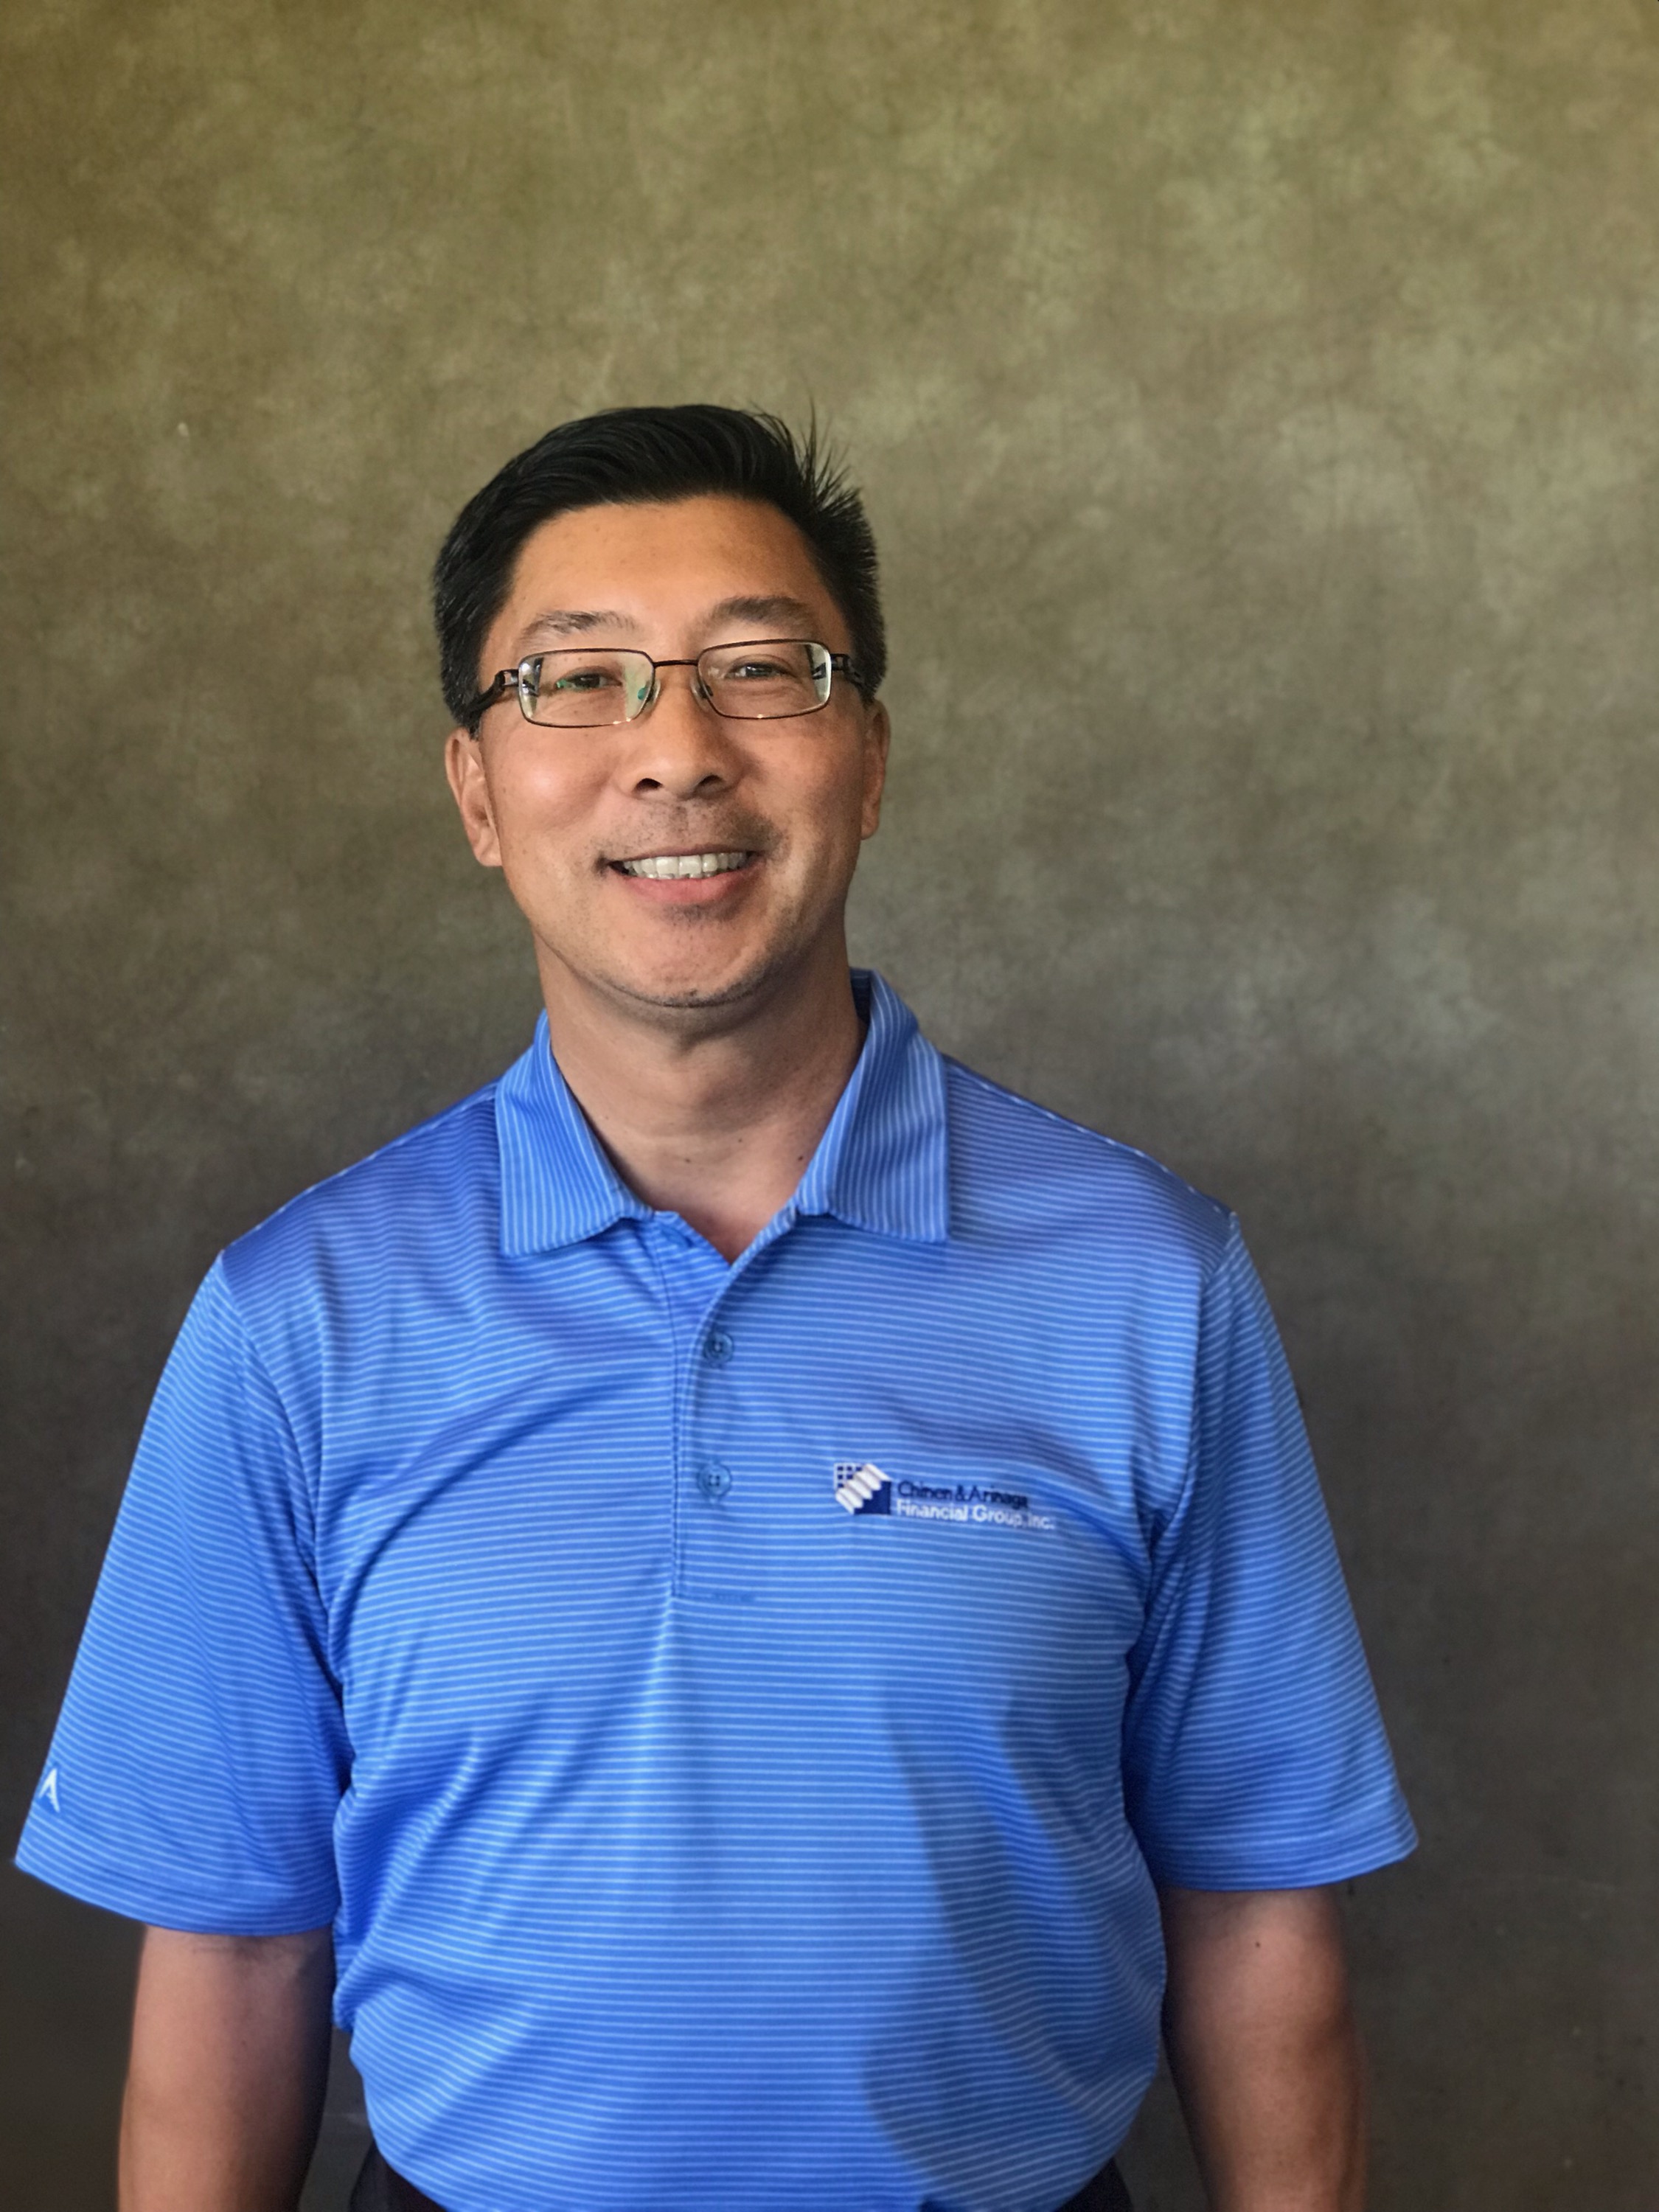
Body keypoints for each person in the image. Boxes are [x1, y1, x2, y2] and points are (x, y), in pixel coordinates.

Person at [16, 406, 1415, 2212]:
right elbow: (231, 1951)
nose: (677, 753)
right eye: (577, 681)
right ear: (476, 792)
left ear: (870, 757)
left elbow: (1257, 1910)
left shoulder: (1146, 1281)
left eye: (761, 671)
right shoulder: (300, 1320)